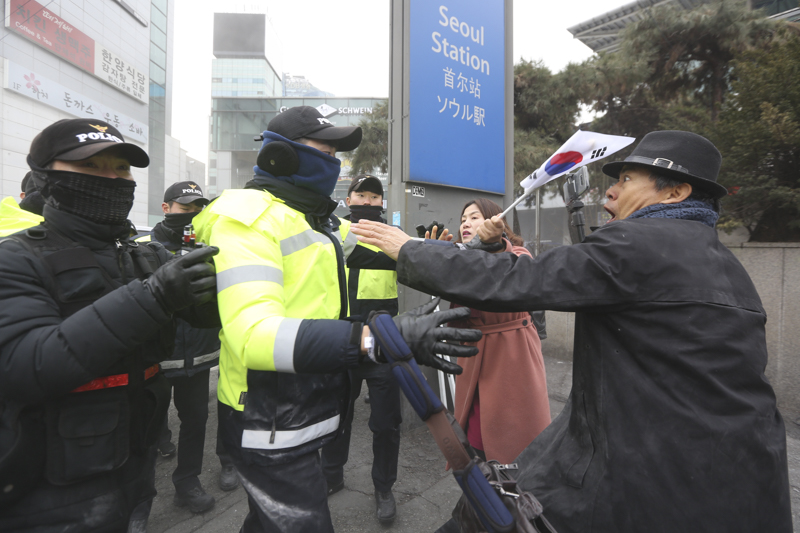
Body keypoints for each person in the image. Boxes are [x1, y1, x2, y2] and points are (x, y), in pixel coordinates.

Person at [352, 130, 792, 532]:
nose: (610, 191)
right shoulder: (727, 266)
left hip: (649, 470)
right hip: (745, 475)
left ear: (675, 192)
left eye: (628, 179)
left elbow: (521, 280)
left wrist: (411, 249)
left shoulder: (638, 243)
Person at [192, 105, 480, 533]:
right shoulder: (247, 220)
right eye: (324, 149)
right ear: (281, 156)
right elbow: (253, 335)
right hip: (267, 414)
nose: (334, 161)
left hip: (305, 399)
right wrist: (377, 339)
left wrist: (474, 253)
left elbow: (390, 245)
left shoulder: (313, 219)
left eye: (336, 152)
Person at [0, 118, 220, 532]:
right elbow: (26, 367)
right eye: (91, 166)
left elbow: (206, 320)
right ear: (47, 178)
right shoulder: (15, 257)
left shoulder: (142, 254)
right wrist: (154, 296)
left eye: (121, 169)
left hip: (134, 465)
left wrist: (210, 289)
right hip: (48, 487)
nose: (112, 178)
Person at [135, 181, 238, 514]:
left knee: (195, 421)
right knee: (147, 431)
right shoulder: (141, 248)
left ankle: (187, 483)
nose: (192, 213)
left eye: (198, 207)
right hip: (155, 360)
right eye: (185, 207)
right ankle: (139, 498)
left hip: (199, 356)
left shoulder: (209, 247)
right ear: (166, 208)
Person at [320, 174, 403, 523]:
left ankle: (384, 486)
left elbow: (415, 266)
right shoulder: (334, 229)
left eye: (374, 197)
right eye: (361, 195)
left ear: (382, 203)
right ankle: (331, 475)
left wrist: (423, 249)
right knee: (338, 416)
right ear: (348, 197)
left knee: (386, 423)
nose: (367, 202)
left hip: (383, 343)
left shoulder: (396, 237)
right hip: (344, 338)